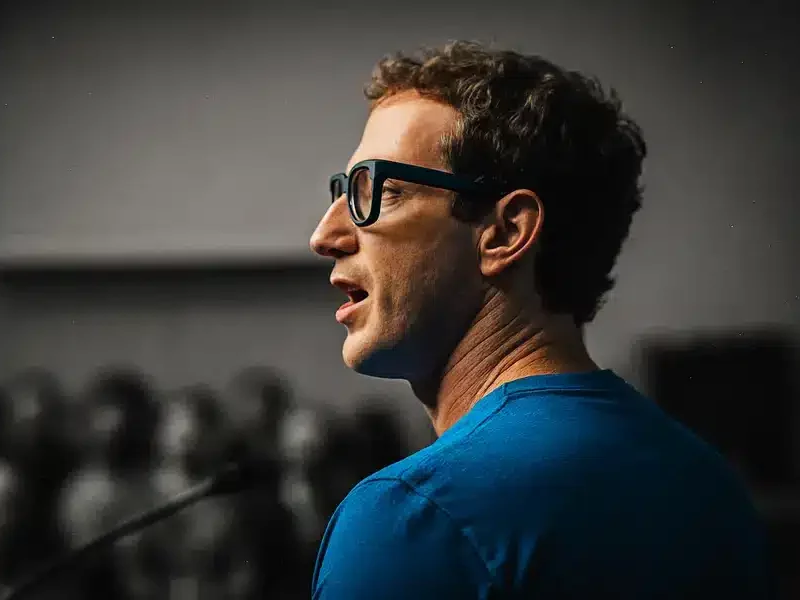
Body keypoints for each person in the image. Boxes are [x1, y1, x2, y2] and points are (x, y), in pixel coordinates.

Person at [308, 41, 773, 599]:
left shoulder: (416, 518)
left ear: (506, 233)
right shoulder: (710, 487)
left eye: (380, 190)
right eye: (344, 191)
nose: (325, 235)